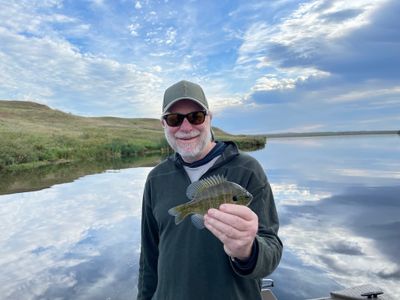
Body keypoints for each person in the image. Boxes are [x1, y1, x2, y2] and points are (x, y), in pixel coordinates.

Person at [137, 80, 282, 300]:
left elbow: (271, 248)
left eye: (196, 116)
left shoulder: (248, 170)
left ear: (209, 118)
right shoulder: (156, 178)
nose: (186, 128)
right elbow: (149, 258)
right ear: (164, 125)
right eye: (174, 119)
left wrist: (248, 251)